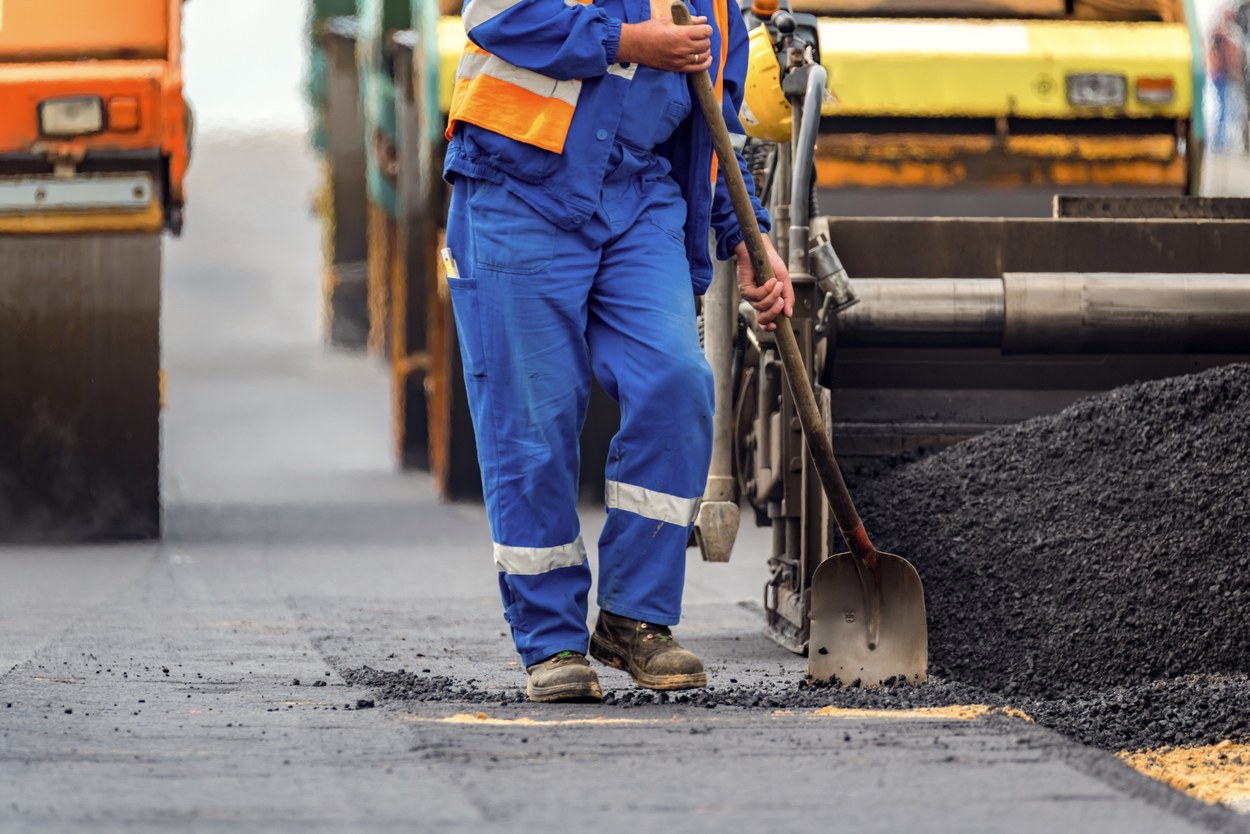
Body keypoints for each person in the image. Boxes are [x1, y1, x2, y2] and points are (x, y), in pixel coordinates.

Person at [441, 0, 793, 702]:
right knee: (534, 421)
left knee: (676, 381)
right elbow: (493, 14)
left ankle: (635, 619)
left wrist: (746, 240)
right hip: (518, 190)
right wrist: (626, 41)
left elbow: (712, 120)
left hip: (638, 201)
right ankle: (551, 642)